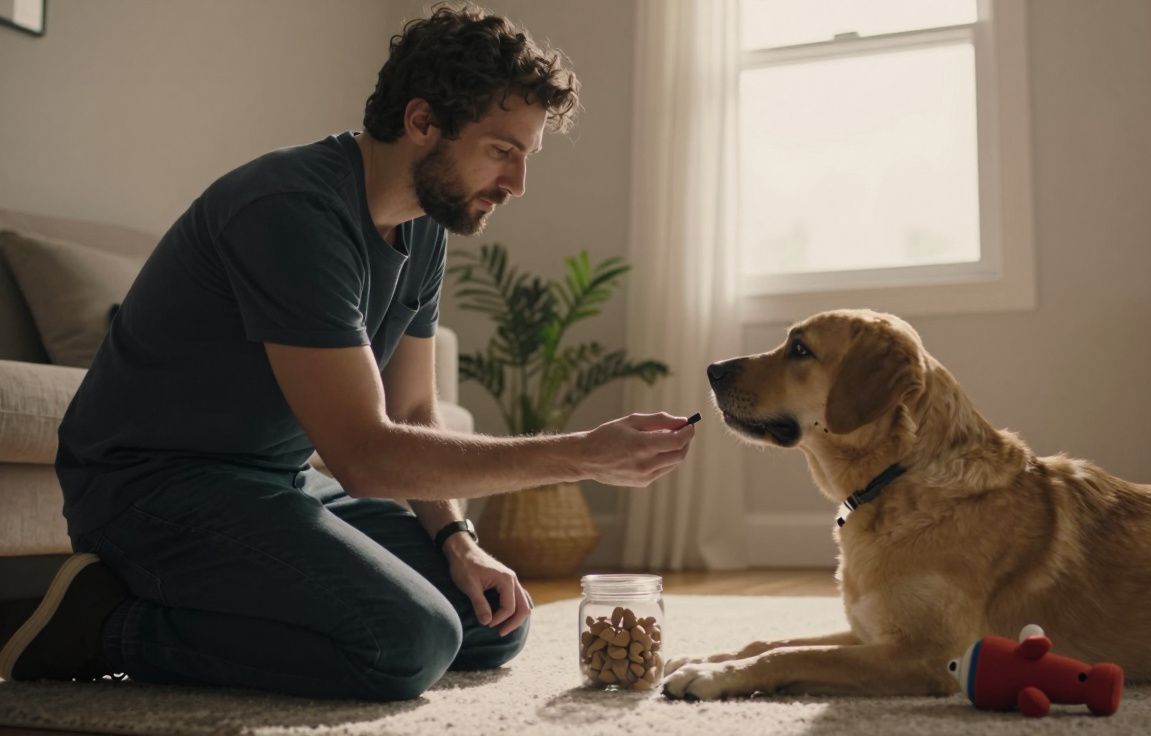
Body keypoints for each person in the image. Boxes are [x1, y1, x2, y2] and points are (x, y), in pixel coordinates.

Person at [0, 3, 695, 701]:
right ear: (422, 122)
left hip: (276, 480)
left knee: (490, 621)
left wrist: (458, 538)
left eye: (525, 156)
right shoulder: (291, 212)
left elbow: (414, 408)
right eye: (501, 150)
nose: (516, 184)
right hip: (151, 487)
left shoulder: (425, 227)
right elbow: (364, 455)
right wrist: (581, 453)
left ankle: (195, 601)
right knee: (409, 641)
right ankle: (109, 626)